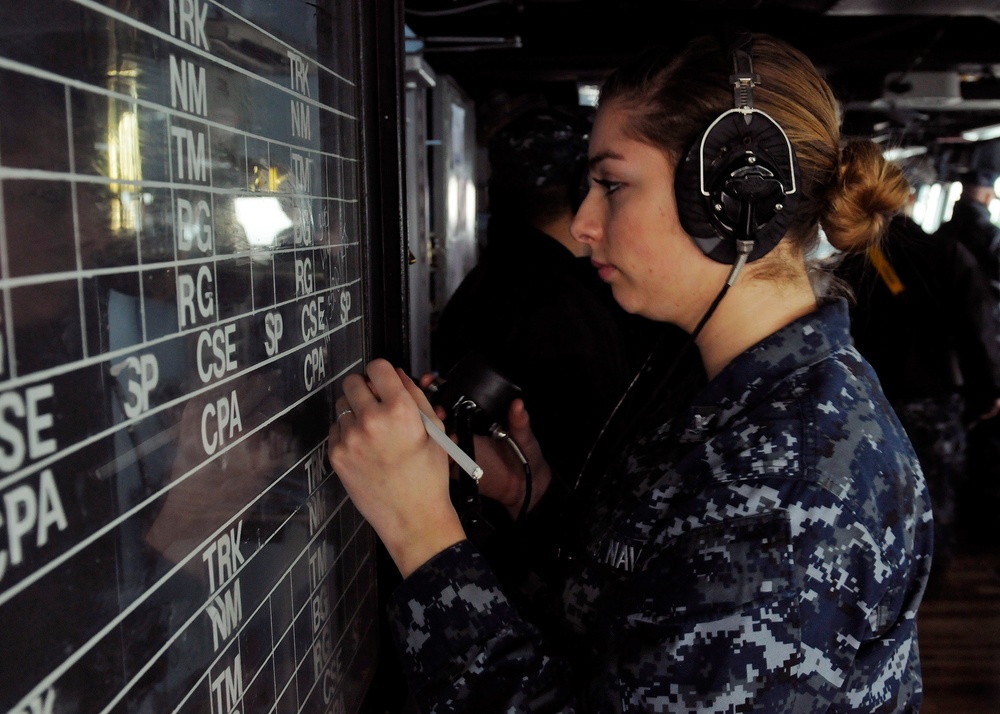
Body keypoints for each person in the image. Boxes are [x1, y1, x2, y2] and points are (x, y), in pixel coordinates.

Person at [329, 32, 933, 711]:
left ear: (737, 198)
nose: (584, 223)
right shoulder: (730, 393)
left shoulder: (791, 487)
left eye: (612, 184)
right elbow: (653, 603)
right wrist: (534, 496)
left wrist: (420, 533)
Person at [833, 207, 1000, 595]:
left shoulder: (856, 260)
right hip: (936, 394)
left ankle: (884, 572)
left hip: (877, 396)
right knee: (938, 487)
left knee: (883, 487)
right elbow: (974, 325)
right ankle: (933, 576)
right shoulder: (947, 253)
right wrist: (987, 389)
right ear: (907, 203)